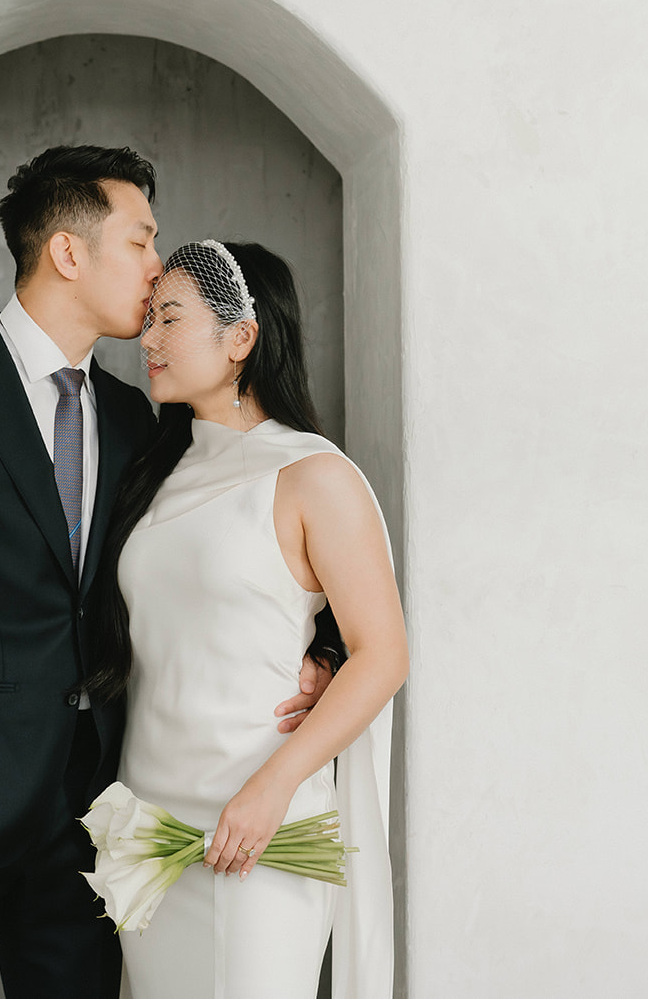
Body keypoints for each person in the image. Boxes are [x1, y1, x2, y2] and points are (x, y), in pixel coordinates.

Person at [0, 147, 344, 998]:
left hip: (89, 822)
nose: (156, 268)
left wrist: (320, 645)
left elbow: (224, 542)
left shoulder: (129, 413)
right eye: (142, 241)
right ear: (69, 253)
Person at [83, 240, 409, 999]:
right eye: (149, 317)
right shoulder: (154, 474)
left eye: (170, 317)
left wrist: (272, 787)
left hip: (263, 823)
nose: (147, 339)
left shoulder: (311, 473)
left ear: (241, 338)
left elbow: (383, 652)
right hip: (152, 823)